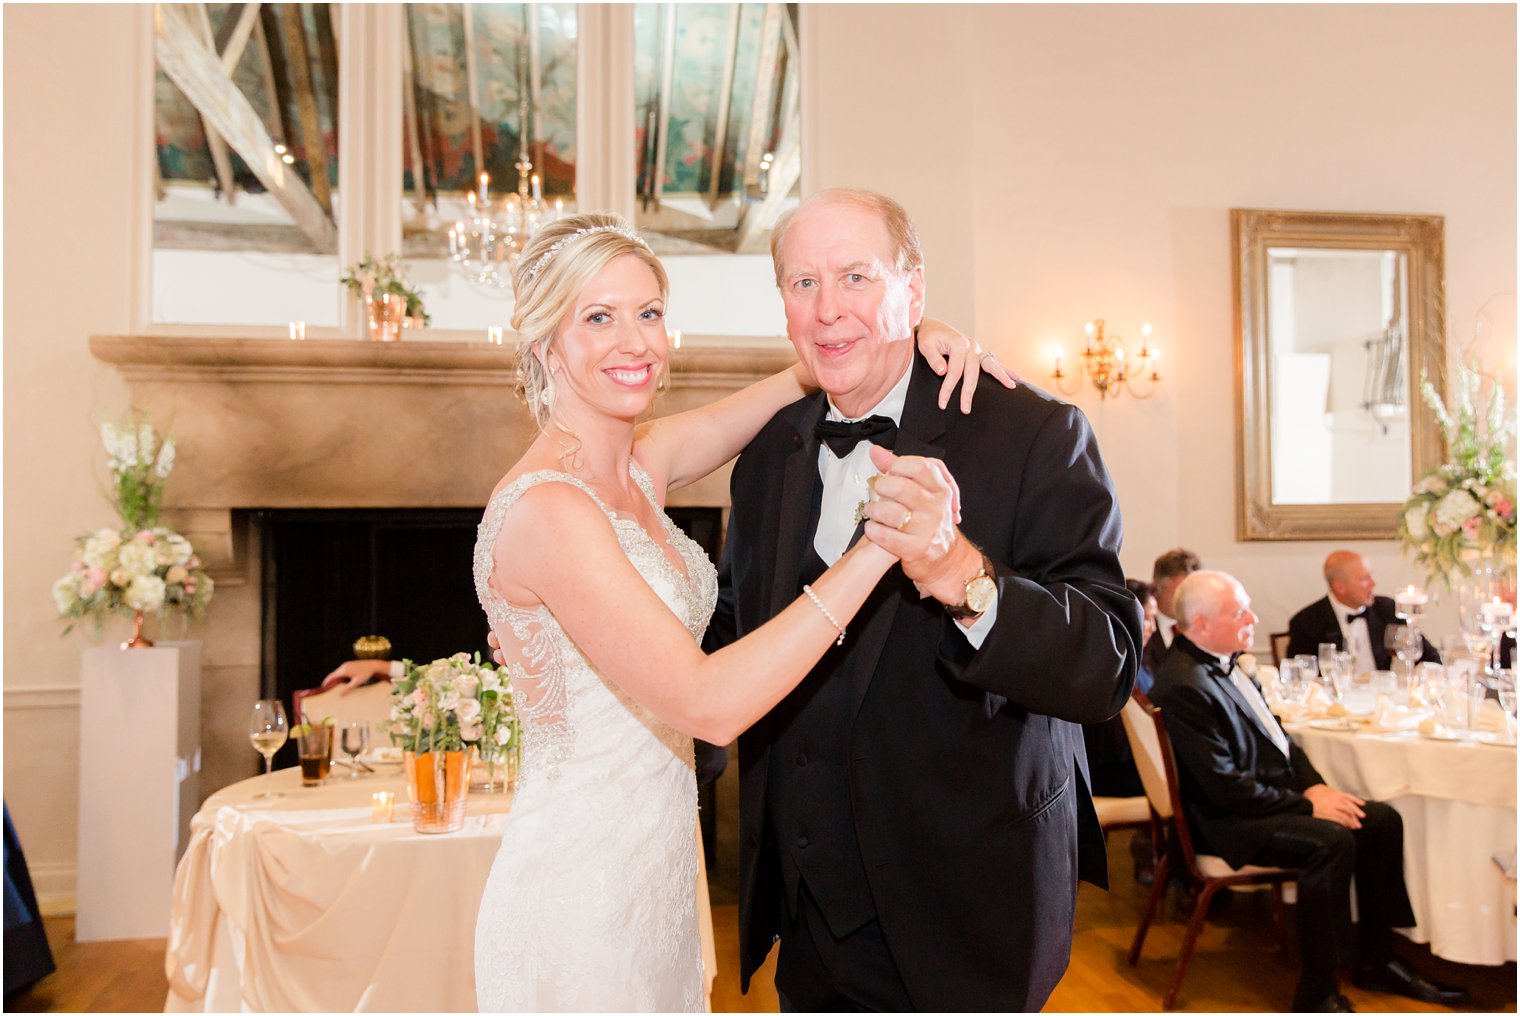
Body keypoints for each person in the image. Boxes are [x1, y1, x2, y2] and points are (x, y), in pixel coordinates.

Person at [465, 212, 1010, 1012]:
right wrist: (880, 546)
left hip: (655, 875)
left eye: (649, 312)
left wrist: (915, 331)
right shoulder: (550, 508)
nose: (637, 341)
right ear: (547, 343)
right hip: (579, 892)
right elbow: (710, 706)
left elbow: (799, 378)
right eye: (599, 317)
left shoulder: (639, 466)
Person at [707, 188, 1141, 1011]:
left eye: (856, 277)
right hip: (805, 912)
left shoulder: (1033, 435)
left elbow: (1107, 667)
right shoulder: (768, 455)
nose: (828, 309)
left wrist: (963, 576)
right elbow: (735, 634)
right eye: (802, 284)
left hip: (968, 913)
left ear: (915, 289)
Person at [1151, 571, 1470, 1013]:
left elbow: (1281, 741)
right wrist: (1306, 804)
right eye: (1239, 611)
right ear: (1202, 624)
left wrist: (1316, 787)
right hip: (1226, 823)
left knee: (1380, 820)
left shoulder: (1228, 662)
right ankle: (1316, 992)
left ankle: (1378, 960)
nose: (1253, 617)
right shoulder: (1185, 683)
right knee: (1331, 841)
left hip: (1257, 802)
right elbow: (1224, 788)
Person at [1083, 579, 1158, 883]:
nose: (1152, 626)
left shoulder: (1137, 658)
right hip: (1109, 771)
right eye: (1148, 617)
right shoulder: (1117, 665)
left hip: (1123, 764)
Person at [1285, 551, 1441, 672]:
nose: (1373, 583)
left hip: (1381, 698)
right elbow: (1302, 676)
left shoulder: (1387, 609)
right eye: (1365, 578)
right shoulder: (1305, 622)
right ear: (1340, 587)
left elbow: (1430, 657)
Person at [1145, 547, 1200, 672]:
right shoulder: (1143, 628)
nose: (1189, 600)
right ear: (1157, 587)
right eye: (1181, 592)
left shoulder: (1201, 626)